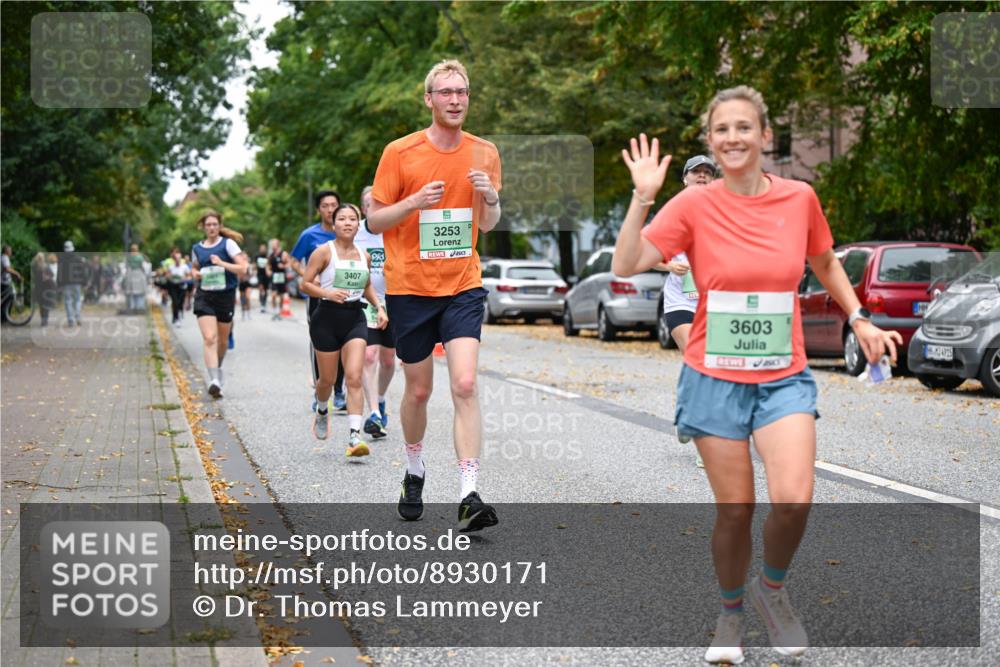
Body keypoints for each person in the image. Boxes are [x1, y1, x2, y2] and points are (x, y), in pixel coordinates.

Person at [612, 86, 902, 664]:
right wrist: (643, 198)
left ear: (765, 136)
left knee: (793, 500)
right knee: (737, 509)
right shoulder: (693, 205)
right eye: (722, 130)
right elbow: (626, 264)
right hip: (712, 376)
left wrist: (860, 318)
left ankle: (771, 591)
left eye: (744, 128)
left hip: (782, 375)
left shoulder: (799, 199)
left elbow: (823, 260)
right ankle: (729, 616)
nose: (733, 138)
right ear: (711, 141)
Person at [369, 59, 502, 532]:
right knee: (419, 390)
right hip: (409, 289)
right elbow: (375, 221)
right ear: (429, 99)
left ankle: (469, 494)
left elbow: (488, 223)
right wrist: (413, 203)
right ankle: (413, 468)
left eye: (461, 92)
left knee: (465, 384)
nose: (454, 100)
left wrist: (489, 198)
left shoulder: (485, 152)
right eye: (445, 92)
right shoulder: (400, 153)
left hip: (463, 284)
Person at [300, 202, 388, 455]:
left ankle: (354, 436)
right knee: (326, 380)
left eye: (353, 219)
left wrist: (379, 307)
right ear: (334, 224)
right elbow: (305, 284)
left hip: (354, 318)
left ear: (358, 224)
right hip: (326, 318)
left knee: (354, 377)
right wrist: (327, 293)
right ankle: (321, 408)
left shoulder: (365, 255)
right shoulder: (323, 252)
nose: (348, 223)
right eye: (342, 219)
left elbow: (368, 285)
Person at [659, 155, 717, 466]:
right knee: (699, 357)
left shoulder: (724, 212)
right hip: (681, 302)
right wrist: (669, 264)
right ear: (685, 178)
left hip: (714, 303)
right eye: (697, 172)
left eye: (708, 173)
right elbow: (645, 254)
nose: (703, 176)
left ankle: (687, 410)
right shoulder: (673, 213)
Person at [290, 190, 347, 411]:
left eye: (334, 204)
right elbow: (293, 260)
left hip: (344, 296)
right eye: (325, 205)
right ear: (318, 210)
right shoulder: (309, 235)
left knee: (344, 343)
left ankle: (339, 391)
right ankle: (320, 391)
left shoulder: (346, 233)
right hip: (317, 297)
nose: (330, 209)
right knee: (321, 344)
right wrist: (307, 274)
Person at [190, 211, 248, 398]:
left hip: (225, 296)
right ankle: (214, 379)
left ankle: (217, 368)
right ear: (203, 227)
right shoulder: (197, 248)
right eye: (208, 225)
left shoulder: (228, 244)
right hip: (205, 296)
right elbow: (194, 267)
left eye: (215, 224)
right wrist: (195, 274)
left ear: (219, 225)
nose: (212, 228)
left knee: (222, 341)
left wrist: (222, 263)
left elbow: (242, 268)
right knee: (209, 338)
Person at [355, 186, 395, 439]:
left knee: (389, 360)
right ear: (363, 207)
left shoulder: (396, 228)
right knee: (369, 356)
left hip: (395, 300)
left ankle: (379, 399)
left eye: (380, 203)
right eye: (370, 203)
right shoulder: (355, 232)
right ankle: (373, 414)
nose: (375, 208)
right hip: (366, 300)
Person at [57, 241, 88, 327]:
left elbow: (60, 273)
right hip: (77, 283)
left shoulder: (61, 259)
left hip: (66, 283)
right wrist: (84, 283)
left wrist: (59, 284)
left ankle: (71, 320)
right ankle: (77, 317)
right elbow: (82, 271)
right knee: (77, 300)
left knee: (68, 301)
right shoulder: (78, 258)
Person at [163, 248, 190, 325]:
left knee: (180, 301)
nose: (177, 260)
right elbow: (167, 275)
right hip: (173, 286)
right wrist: (170, 277)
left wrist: (184, 278)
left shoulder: (184, 266)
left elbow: (189, 275)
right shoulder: (171, 266)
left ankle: (180, 312)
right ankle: (176, 317)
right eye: (176, 258)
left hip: (182, 286)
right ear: (174, 259)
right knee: (175, 301)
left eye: (179, 258)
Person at [31, 252, 58, 327]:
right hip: (46, 287)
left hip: (38, 287)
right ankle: (45, 321)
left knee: (41, 305)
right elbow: (52, 274)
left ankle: (43, 319)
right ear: (43, 258)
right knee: (46, 305)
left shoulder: (34, 266)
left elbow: (34, 277)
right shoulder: (46, 266)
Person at [124, 243, 149, 312]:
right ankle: (139, 307)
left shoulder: (128, 257)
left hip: (131, 274)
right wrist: (145, 275)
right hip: (138, 273)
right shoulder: (140, 257)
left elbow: (126, 266)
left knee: (131, 291)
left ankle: (132, 306)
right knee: (140, 291)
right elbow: (142, 266)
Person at [1, 245, 23, 324]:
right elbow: (7, 269)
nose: (11, 252)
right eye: (10, 250)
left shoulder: (3, 257)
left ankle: (5, 318)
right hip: (5, 282)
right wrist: (16, 273)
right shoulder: (5, 258)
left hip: (4, 281)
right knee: (8, 300)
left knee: (6, 300)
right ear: (6, 251)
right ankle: (4, 319)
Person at [269, 240, 289, 319]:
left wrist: (283, 266)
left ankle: (279, 312)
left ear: (278, 245)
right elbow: (268, 265)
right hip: (274, 276)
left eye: (274, 244)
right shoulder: (271, 255)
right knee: (273, 295)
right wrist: (268, 271)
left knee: (281, 296)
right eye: (272, 244)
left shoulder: (283, 254)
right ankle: (275, 311)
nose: (272, 246)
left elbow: (289, 263)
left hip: (281, 276)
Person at [255, 243, 271, 313]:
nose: (262, 249)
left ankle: (264, 303)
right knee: (261, 289)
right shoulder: (257, 256)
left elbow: (270, 265)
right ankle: (261, 304)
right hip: (260, 275)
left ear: (265, 249)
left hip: (266, 276)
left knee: (266, 290)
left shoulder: (267, 257)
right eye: (261, 248)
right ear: (260, 249)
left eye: (264, 248)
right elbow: (255, 265)